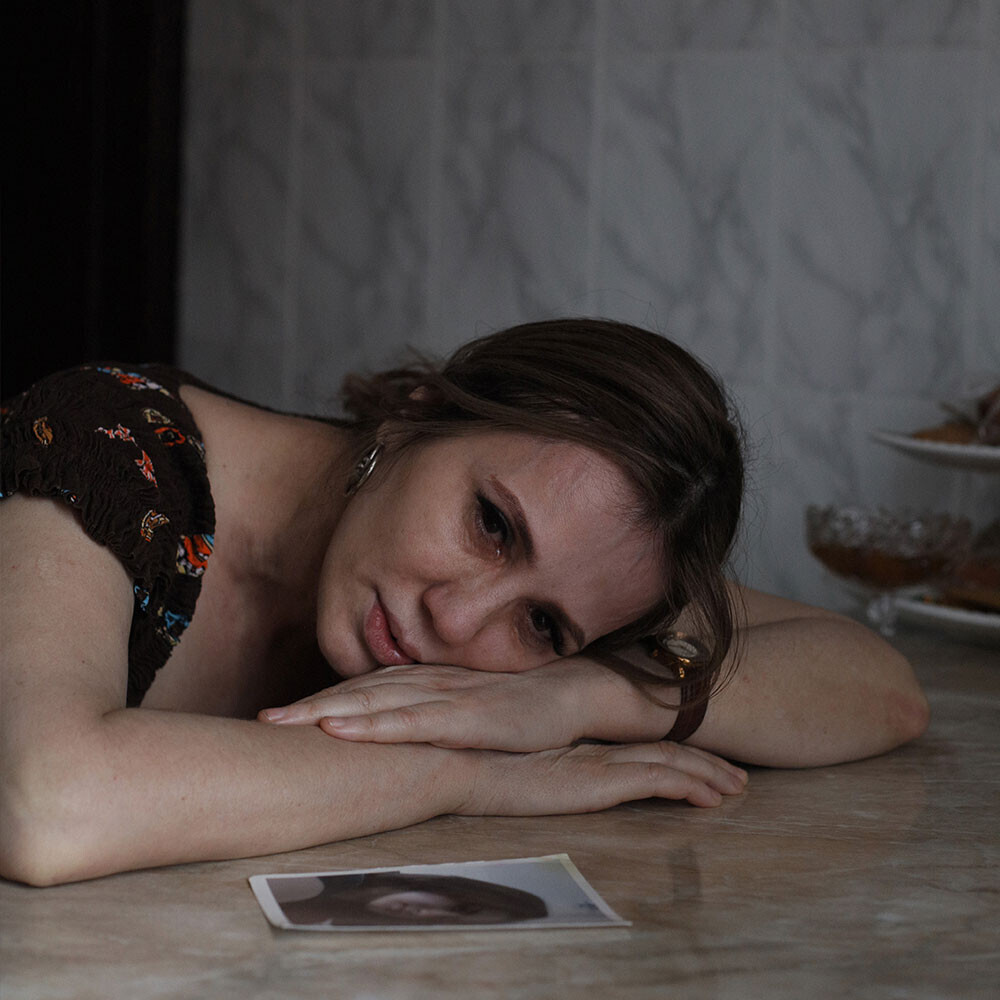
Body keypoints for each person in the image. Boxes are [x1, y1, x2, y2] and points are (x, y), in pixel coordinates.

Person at [0, 319, 929, 887]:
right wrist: (470, 775)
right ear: (414, 413)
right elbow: (43, 804)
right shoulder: (106, 445)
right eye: (492, 524)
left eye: (543, 626)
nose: (459, 619)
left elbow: (880, 686)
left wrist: (576, 698)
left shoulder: (578, 588)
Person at [267, 872, 548, 926]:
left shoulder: (321, 916)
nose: (424, 915)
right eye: (463, 908)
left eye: (446, 923)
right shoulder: (339, 879)